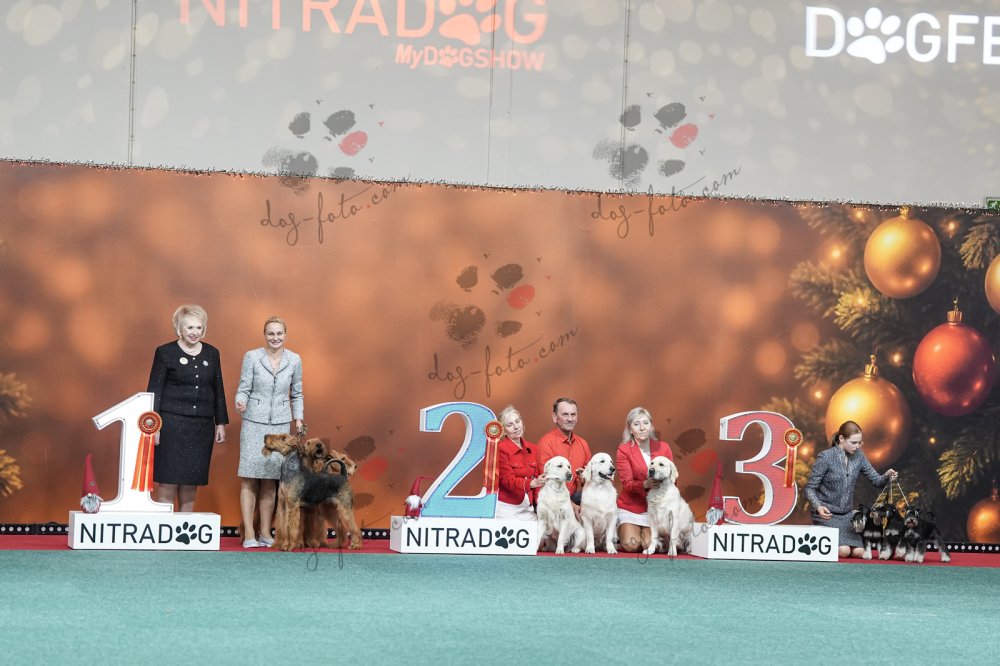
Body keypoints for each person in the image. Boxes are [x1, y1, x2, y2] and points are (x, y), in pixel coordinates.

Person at [147, 304, 228, 513]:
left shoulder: (212, 353)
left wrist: (220, 422)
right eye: (190, 327)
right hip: (171, 425)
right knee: (167, 481)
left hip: (201, 427)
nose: (195, 332)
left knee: (191, 483)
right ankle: (164, 529)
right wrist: (154, 426)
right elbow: (155, 390)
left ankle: (185, 527)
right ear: (180, 329)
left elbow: (218, 388)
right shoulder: (165, 352)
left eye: (199, 328)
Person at [234, 316, 304, 548]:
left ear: (285, 335)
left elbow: (297, 393)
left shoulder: (294, 359)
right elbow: (244, 387)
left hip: (280, 425)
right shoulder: (252, 357)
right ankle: (249, 534)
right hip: (253, 422)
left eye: (279, 333)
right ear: (265, 335)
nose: (275, 338)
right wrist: (240, 401)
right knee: (249, 478)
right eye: (271, 333)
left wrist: (298, 419)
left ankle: (265, 532)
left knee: (270, 481)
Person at [804, 420, 898, 558]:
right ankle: (817, 539)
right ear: (841, 439)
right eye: (853, 442)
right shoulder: (825, 457)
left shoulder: (859, 456)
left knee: (859, 552)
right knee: (844, 551)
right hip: (826, 514)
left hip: (847, 515)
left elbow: (877, 481)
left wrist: (887, 476)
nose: (857, 446)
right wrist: (818, 507)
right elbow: (810, 488)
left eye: (860, 442)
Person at [615, 406, 674, 553]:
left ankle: (642, 535)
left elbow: (672, 478)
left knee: (649, 545)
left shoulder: (664, 448)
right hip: (631, 506)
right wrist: (645, 484)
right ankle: (620, 533)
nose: (642, 428)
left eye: (646, 423)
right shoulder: (624, 450)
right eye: (637, 424)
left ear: (651, 425)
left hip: (655, 508)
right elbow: (627, 484)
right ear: (630, 429)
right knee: (631, 545)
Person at [536, 398, 592, 511]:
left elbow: (590, 480)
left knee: (600, 500)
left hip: (572, 496)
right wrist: (572, 507)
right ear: (555, 417)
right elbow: (548, 484)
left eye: (573, 414)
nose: (570, 419)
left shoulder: (583, 444)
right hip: (549, 499)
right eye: (565, 414)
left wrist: (584, 478)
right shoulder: (546, 443)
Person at [494, 405, 545, 521]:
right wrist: (532, 483)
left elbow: (537, 479)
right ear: (504, 430)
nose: (516, 427)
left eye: (517, 421)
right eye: (510, 425)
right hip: (507, 507)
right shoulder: (501, 448)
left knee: (539, 531)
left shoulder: (533, 448)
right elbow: (507, 480)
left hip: (528, 507)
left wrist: (538, 505)